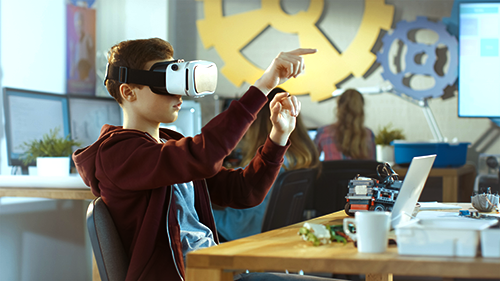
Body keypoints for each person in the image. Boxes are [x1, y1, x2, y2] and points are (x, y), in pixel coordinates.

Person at [72, 38, 339, 281]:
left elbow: (244, 192)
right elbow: (204, 155)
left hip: (214, 270)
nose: (178, 94)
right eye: (164, 82)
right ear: (129, 92)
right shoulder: (118, 155)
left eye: (177, 81)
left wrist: (278, 136)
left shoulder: (167, 146)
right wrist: (264, 85)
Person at [213, 87, 321, 241]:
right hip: (272, 233)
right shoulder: (301, 158)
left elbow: (243, 194)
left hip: (244, 231)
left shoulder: (271, 165)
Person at [314, 89, 376, 160]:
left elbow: (310, 163)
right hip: (359, 171)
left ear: (338, 107)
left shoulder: (324, 132)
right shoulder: (369, 135)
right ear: (361, 109)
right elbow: (372, 167)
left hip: (333, 171)